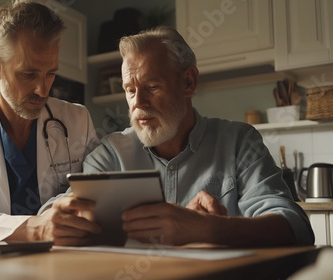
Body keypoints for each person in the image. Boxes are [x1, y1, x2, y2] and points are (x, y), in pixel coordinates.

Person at [44, 26, 314, 247]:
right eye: (130, 90)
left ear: (188, 82)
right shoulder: (109, 154)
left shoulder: (239, 142)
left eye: (151, 86)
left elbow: (295, 226)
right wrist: (60, 218)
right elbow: (57, 215)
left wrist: (211, 229)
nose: (138, 102)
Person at [0, 1, 99, 244]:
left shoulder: (78, 121)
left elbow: (97, 199)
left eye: (50, 73)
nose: (42, 90)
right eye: (29, 74)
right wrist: (36, 228)